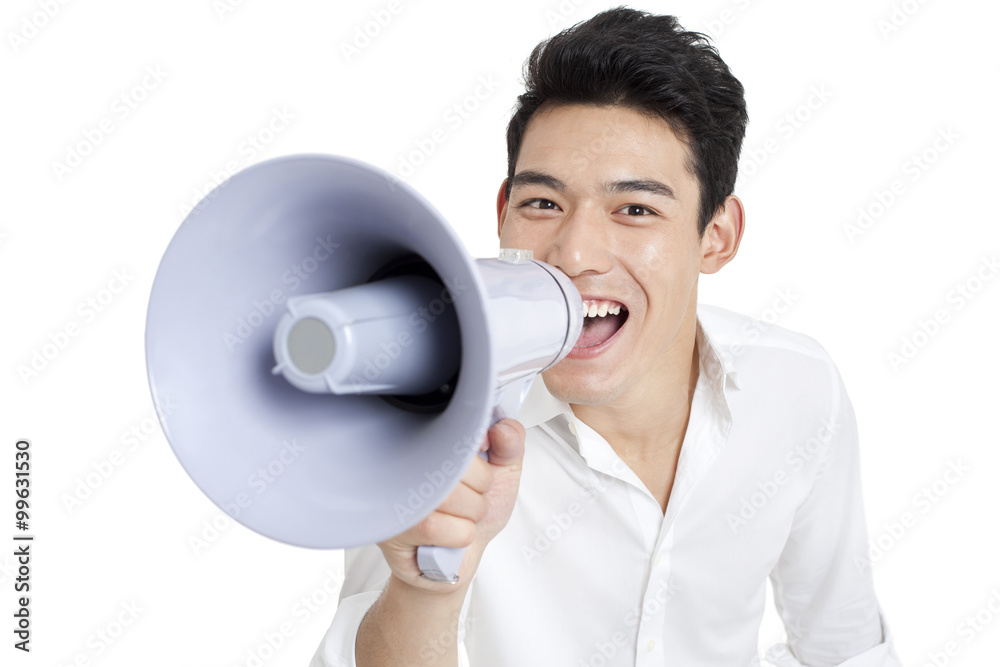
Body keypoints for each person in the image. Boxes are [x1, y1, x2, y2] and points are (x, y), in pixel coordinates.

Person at [311, 7, 900, 666]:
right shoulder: (429, 417)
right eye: (543, 203)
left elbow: (844, 648)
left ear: (718, 235)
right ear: (503, 213)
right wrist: (425, 589)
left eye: (636, 209)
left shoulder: (796, 389)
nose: (577, 252)